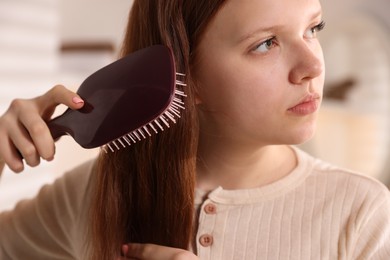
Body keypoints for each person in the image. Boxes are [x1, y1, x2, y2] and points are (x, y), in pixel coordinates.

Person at [1, 0, 390, 259]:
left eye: (313, 28)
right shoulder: (97, 191)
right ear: (186, 76)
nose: (313, 65)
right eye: (266, 43)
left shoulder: (362, 215)